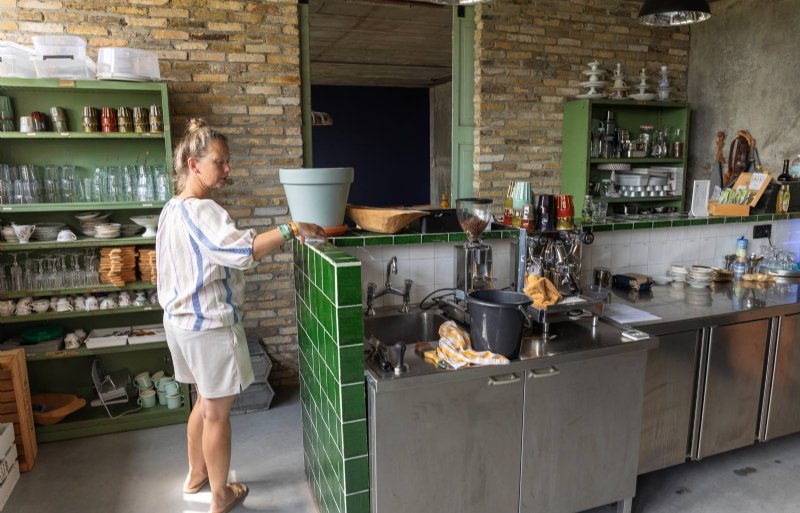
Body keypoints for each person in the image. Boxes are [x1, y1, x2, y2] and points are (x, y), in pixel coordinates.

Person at [156, 118, 325, 513]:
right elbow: (241, 252)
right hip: (208, 327)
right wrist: (291, 228)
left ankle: (196, 475)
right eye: (220, 162)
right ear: (194, 164)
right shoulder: (203, 210)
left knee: (202, 401)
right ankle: (220, 495)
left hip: (179, 323)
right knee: (217, 413)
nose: (227, 169)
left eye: (228, 161)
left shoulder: (171, 208)